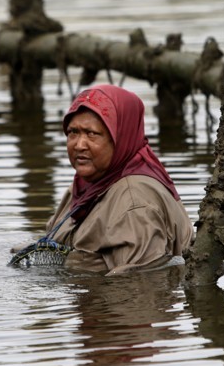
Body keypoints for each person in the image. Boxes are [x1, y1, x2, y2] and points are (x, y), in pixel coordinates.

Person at [31, 84, 193, 275]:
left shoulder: (135, 201)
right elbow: (51, 244)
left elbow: (140, 287)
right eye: (73, 132)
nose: (79, 145)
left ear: (120, 138)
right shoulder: (86, 186)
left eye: (92, 133)